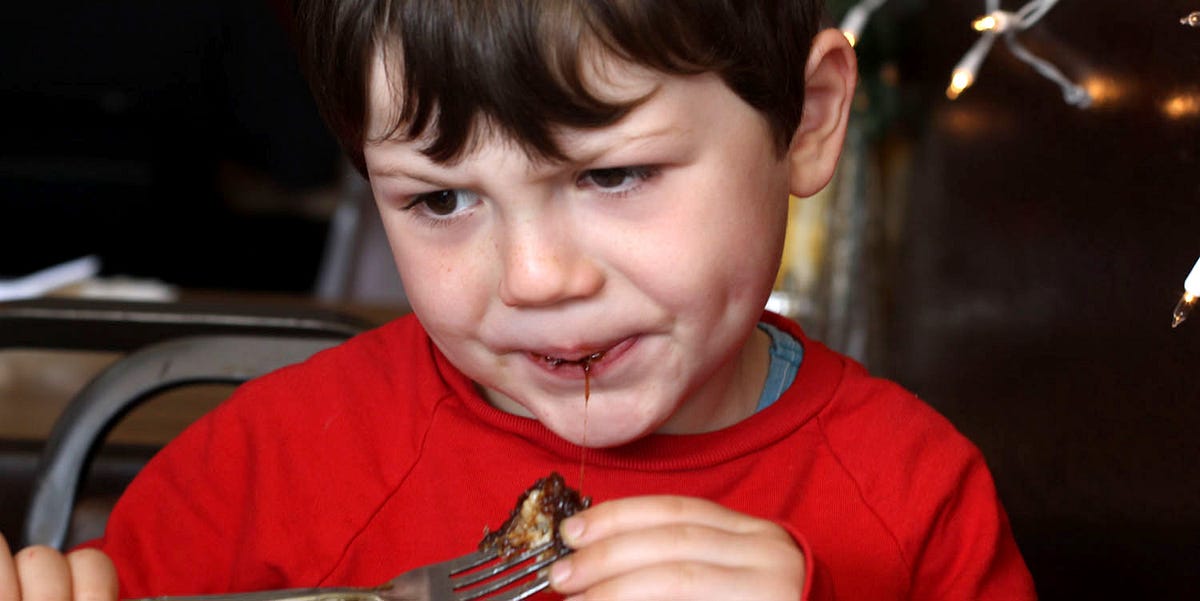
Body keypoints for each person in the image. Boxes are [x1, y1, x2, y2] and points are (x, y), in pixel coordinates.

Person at [0, 1, 1037, 599]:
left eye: (611, 175)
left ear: (805, 120)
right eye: (441, 199)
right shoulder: (261, 468)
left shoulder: (915, 502)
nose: (535, 279)